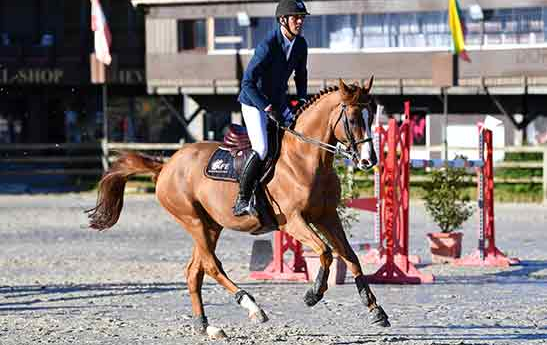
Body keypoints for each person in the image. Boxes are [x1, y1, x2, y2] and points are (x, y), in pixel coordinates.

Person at [234, 0, 310, 217]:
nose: (300, 21)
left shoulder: (301, 44)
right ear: (282, 20)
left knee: (299, 136)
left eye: (301, 18)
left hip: (278, 101)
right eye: (296, 17)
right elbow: (247, 83)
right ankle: (243, 198)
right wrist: (267, 108)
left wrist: (303, 99)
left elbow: (301, 75)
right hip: (254, 102)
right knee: (262, 148)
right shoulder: (267, 45)